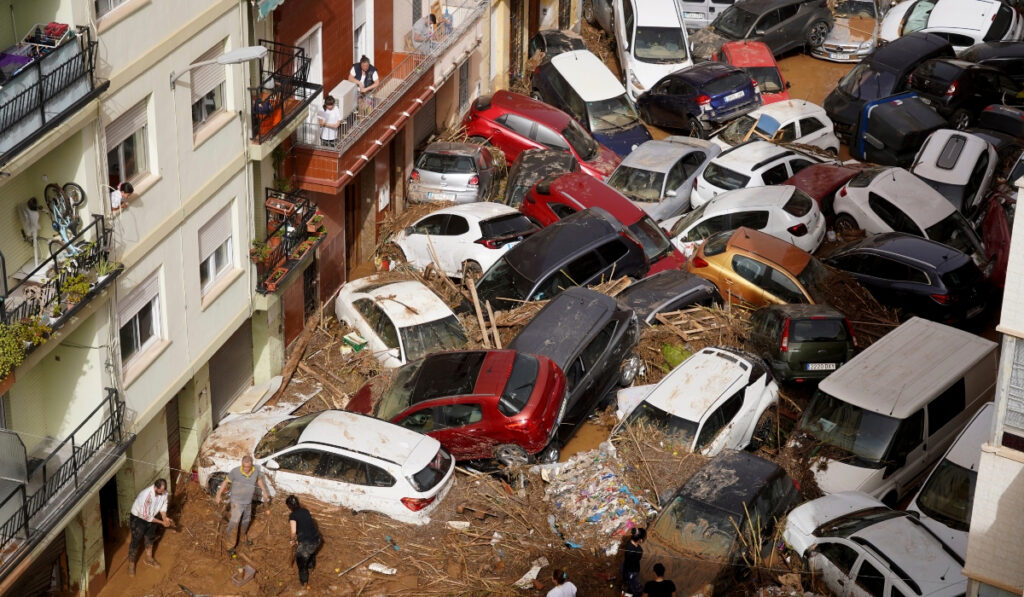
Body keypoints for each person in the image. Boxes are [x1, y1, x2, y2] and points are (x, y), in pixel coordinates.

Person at [214, 455, 270, 555]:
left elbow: (259, 480)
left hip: (248, 502)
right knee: (234, 523)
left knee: (246, 521)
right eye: (244, 467)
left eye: (248, 467)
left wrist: (264, 491)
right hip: (236, 502)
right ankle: (230, 546)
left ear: (251, 465)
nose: (246, 469)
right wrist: (218, 495)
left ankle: (243, 538)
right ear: (242, 464)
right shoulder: (235, 472)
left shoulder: (256, 471)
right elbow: (225, 482)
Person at [127, 479, 173, 577]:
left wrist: (164, 517)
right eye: (161, 491)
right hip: (139, 518)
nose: (163, 493)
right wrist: (162, 522)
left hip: (152, 516)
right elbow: (146, 516)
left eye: (164, 491)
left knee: (150, 537)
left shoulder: (164, 492)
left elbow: (164, 505)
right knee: (136, 540)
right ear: (155, 487)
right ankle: (131, 564)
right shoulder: (146, 496)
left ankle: (149, 558)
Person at [286, 495, 321, 588]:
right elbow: (306, 525)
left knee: (301, 563)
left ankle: (304, 582)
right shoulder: (306, 511)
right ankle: (311, 566)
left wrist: (292, 540)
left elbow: (293, 532)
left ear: (289, 507)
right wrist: (298, 540)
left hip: (307, 544)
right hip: (317, 540)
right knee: (311, 553)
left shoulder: (292, 516)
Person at [621, 527, 647, 597]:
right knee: (634, 588)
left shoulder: (629, 543)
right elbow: (635, 562)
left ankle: (627, 587)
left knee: (629, 582)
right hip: (632, 571)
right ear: (640, 540)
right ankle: (630, 593)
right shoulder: (639, 551)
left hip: (626, 567)